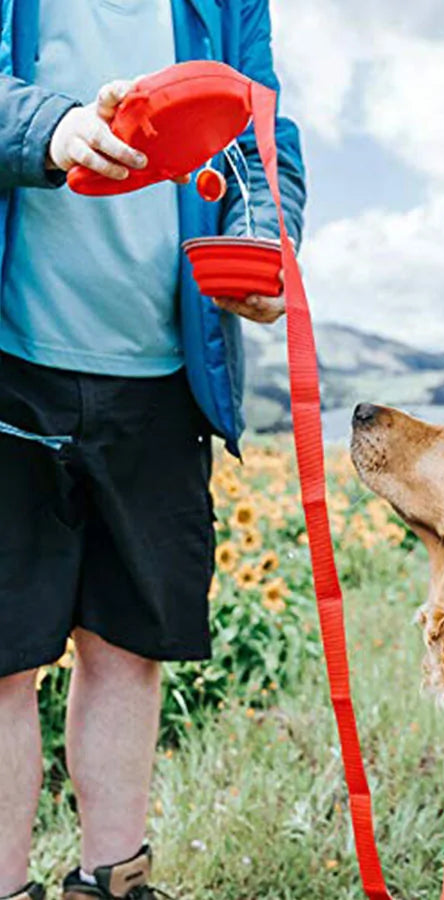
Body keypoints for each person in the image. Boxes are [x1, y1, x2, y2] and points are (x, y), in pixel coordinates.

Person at [0, 2, 306, 898]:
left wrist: (264, 236)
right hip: (12, 365)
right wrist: (52, 126)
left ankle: (114, 885)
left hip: (166, 376)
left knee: (130, 650)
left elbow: (262, 133)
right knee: (4, 660)